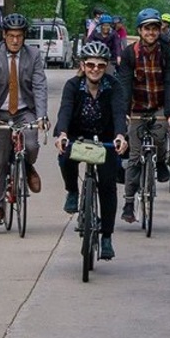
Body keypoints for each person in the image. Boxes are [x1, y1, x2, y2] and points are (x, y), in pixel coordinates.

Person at [54, 42, 129, 260]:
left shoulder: (114, 86)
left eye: (100, 65)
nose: (95, 69)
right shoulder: (72, 85)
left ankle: (106, 237)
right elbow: (65, 111)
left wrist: (120, 136)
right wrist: (62, 134)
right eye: (90, 65)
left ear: (106, 67)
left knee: (107, 185)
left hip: (106, 138)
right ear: (83, 65)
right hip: (78, 135)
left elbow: (118, 112)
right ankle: (73, 191)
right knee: (66, 156)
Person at [0, 13, 49, 225]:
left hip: (25, 111)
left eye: (19, 36)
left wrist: (42, 115)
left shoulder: (33, 55)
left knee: (32, 144)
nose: (15, 40)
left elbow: (39, 86)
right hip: (0, 112)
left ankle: (26, 166)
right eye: (11, 36)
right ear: (4, 35)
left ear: (24, 36)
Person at [117, 8, 170, 223]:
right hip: (136, 106)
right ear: (140, 30)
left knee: (161, 138)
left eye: (154, 28)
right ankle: (128, 203)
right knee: (134, 157)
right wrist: (124, 112)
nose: (151, 32)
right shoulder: (129, 54)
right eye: (147, 28)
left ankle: (161, 161)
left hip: (160, 105)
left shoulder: (168, 52)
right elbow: (124, 83)